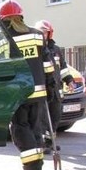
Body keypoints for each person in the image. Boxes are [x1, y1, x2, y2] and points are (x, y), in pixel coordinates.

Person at [0, 0, 50, 170]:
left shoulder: (0, 38)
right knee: (35, 129)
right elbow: (48, 65)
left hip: (17, 93)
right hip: (38, 91)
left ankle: (31, 169)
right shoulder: (38, 35)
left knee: (19, 129)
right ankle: (36, 167)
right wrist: (52, 90)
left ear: (2, 19)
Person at [35, 20, 76, 154]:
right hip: (42, 89)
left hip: (57, 90)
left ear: (49, 33)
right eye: (40, 32)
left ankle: (50, 141)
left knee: (55, 117)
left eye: (44, 32)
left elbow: (63, 68)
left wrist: (69, 80)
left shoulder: (56, 49)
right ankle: (41, 143)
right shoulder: (36, 48)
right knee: (42, 119)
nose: (42, 34)